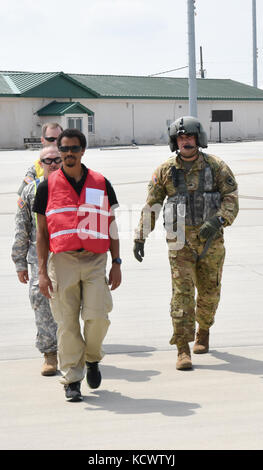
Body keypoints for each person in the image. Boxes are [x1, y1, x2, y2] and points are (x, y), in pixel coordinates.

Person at [133, 116, 239, 370]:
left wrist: (218, 220)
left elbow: (231, 199)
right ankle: (182, 348)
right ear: (175, 141)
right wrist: (140, 235)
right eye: (181, 138)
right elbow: (152, 204)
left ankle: (204, 329)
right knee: (181, 296)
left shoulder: (216, 167)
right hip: (179, 243)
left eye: (190, 137)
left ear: (198, 139)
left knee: (210, 294)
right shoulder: (165, 171)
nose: (186, 141)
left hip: (210, 242)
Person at [33, 128, 122, 402]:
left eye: (74, 148)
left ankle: (93, 358)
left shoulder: (101, 182)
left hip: (96, 259)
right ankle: (72, 379)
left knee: (98, 316)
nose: (69, 153)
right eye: (64, 149)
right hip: (62, 262)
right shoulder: (46, 186)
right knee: (67, 323)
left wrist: (117, 262)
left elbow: (111, 226)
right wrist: (42, 273)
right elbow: (41, 233)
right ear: (59, 152)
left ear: (83, 151)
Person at [11, 146, 61, 375]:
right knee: (41, 302)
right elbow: (22, 228)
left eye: (57, 160)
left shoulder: (73, 187)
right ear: (40, 164)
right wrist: (19, 261)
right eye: (47, 160)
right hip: (38, 257)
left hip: (69, 257)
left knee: (73, 304)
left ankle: (74, 350)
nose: (53, 163)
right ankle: (50, 354)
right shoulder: (30, 192)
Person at [18, 122, 63, 195]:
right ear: (42, 140)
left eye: (59, 139)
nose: (55, 143)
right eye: (51, 139)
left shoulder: (71, 166)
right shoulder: (35, 170)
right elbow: (24, 195)